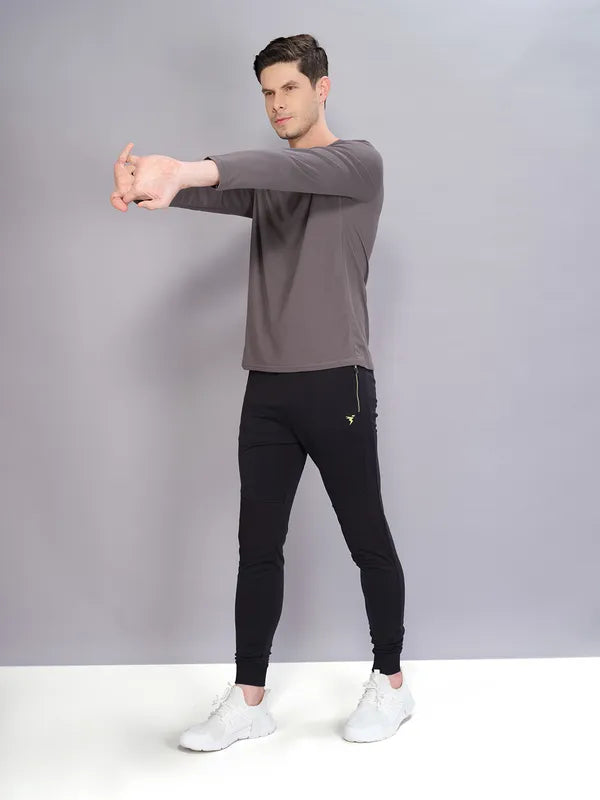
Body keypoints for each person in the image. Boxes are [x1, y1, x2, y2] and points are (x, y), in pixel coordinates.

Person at [111, 33, 415, 749]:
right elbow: (228, 186)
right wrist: (159, 183)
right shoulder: (274, 183)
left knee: (367, 539)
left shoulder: (357, 164)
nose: (277, 104)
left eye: (289, 89)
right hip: (269, 392)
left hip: (338, 384)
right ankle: (249, 700)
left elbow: (261, 167)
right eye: (268, 93)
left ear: (322, 88)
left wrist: (185, 167)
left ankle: (392, 684)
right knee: (257, 548)